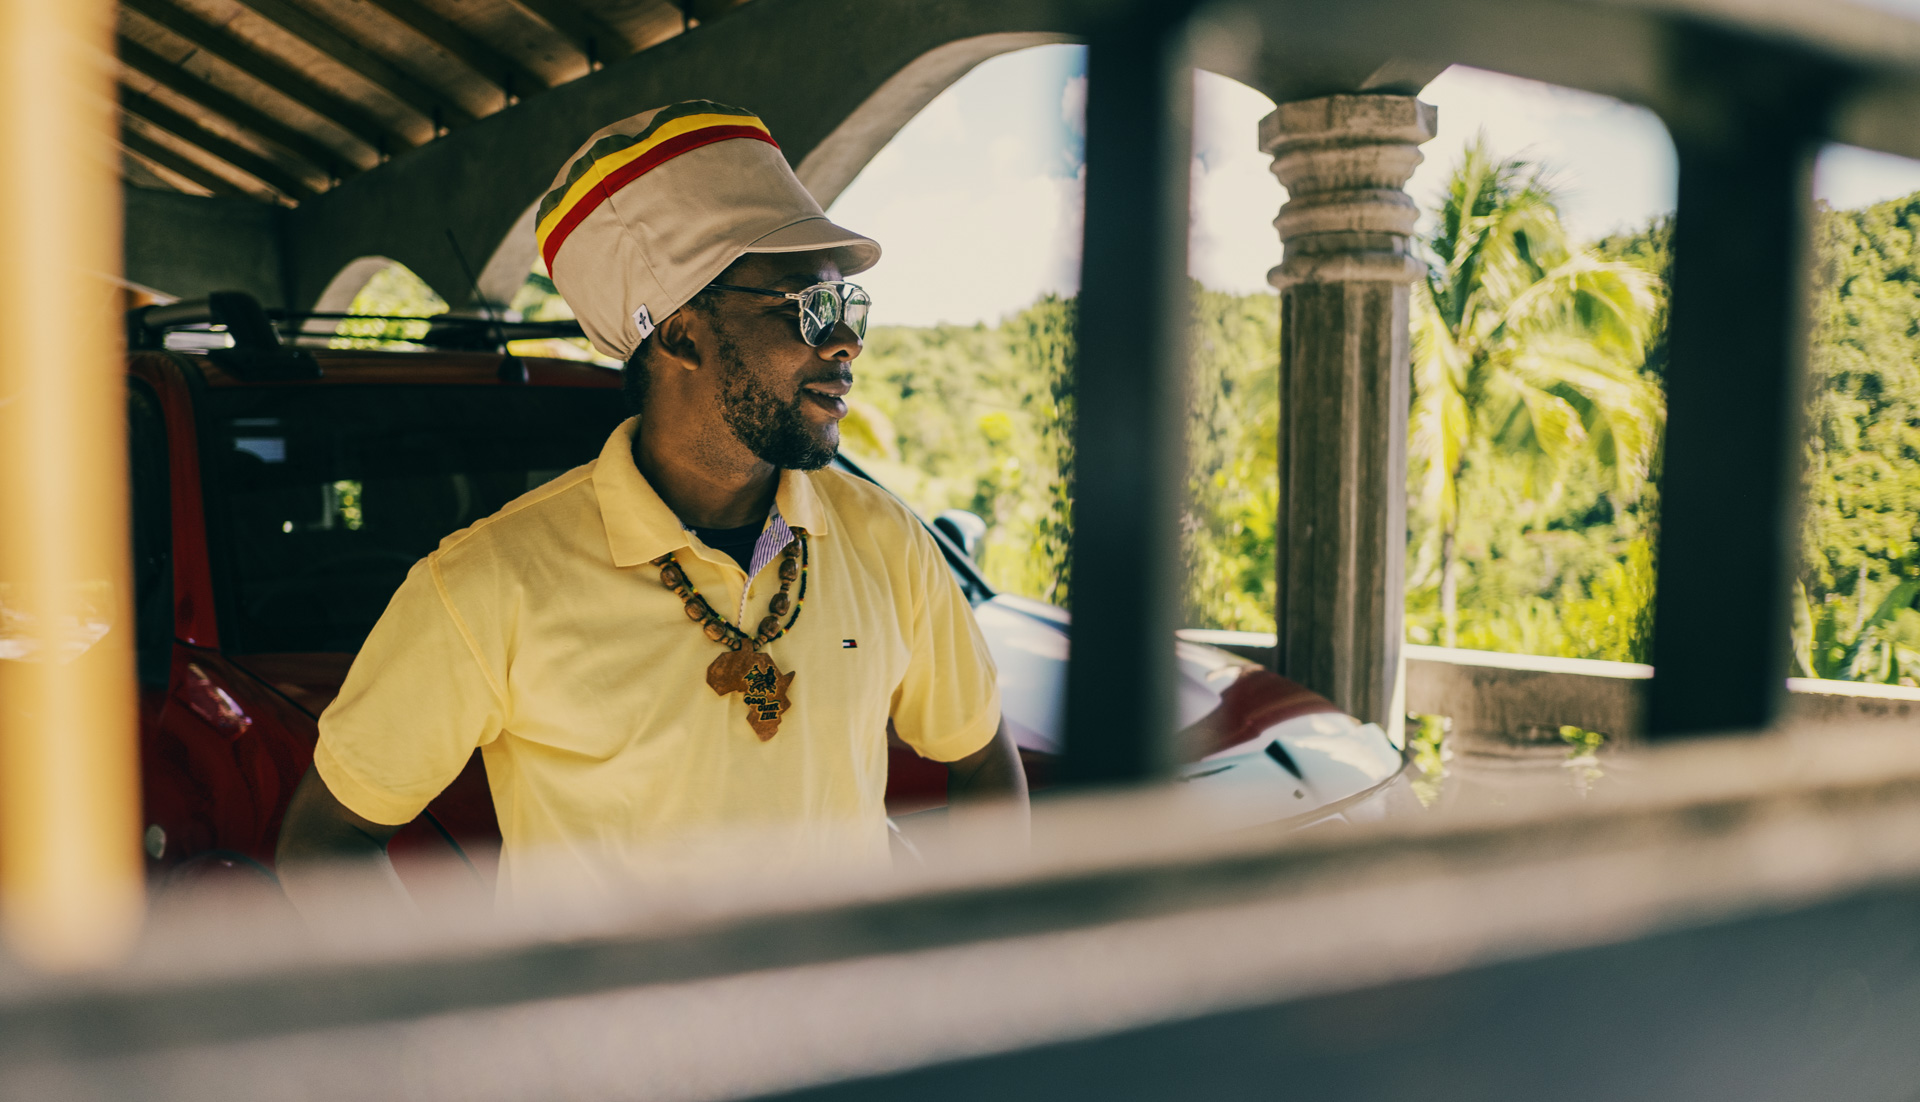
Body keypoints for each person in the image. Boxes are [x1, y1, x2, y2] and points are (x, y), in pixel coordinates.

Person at [276, 100, 1026, 903]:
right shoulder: (488, 585)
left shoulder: (886, 541)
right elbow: (328, 839)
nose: (845, 343)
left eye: (849, 308)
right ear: (681, 336)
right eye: (809, 307)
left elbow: (982, 759)